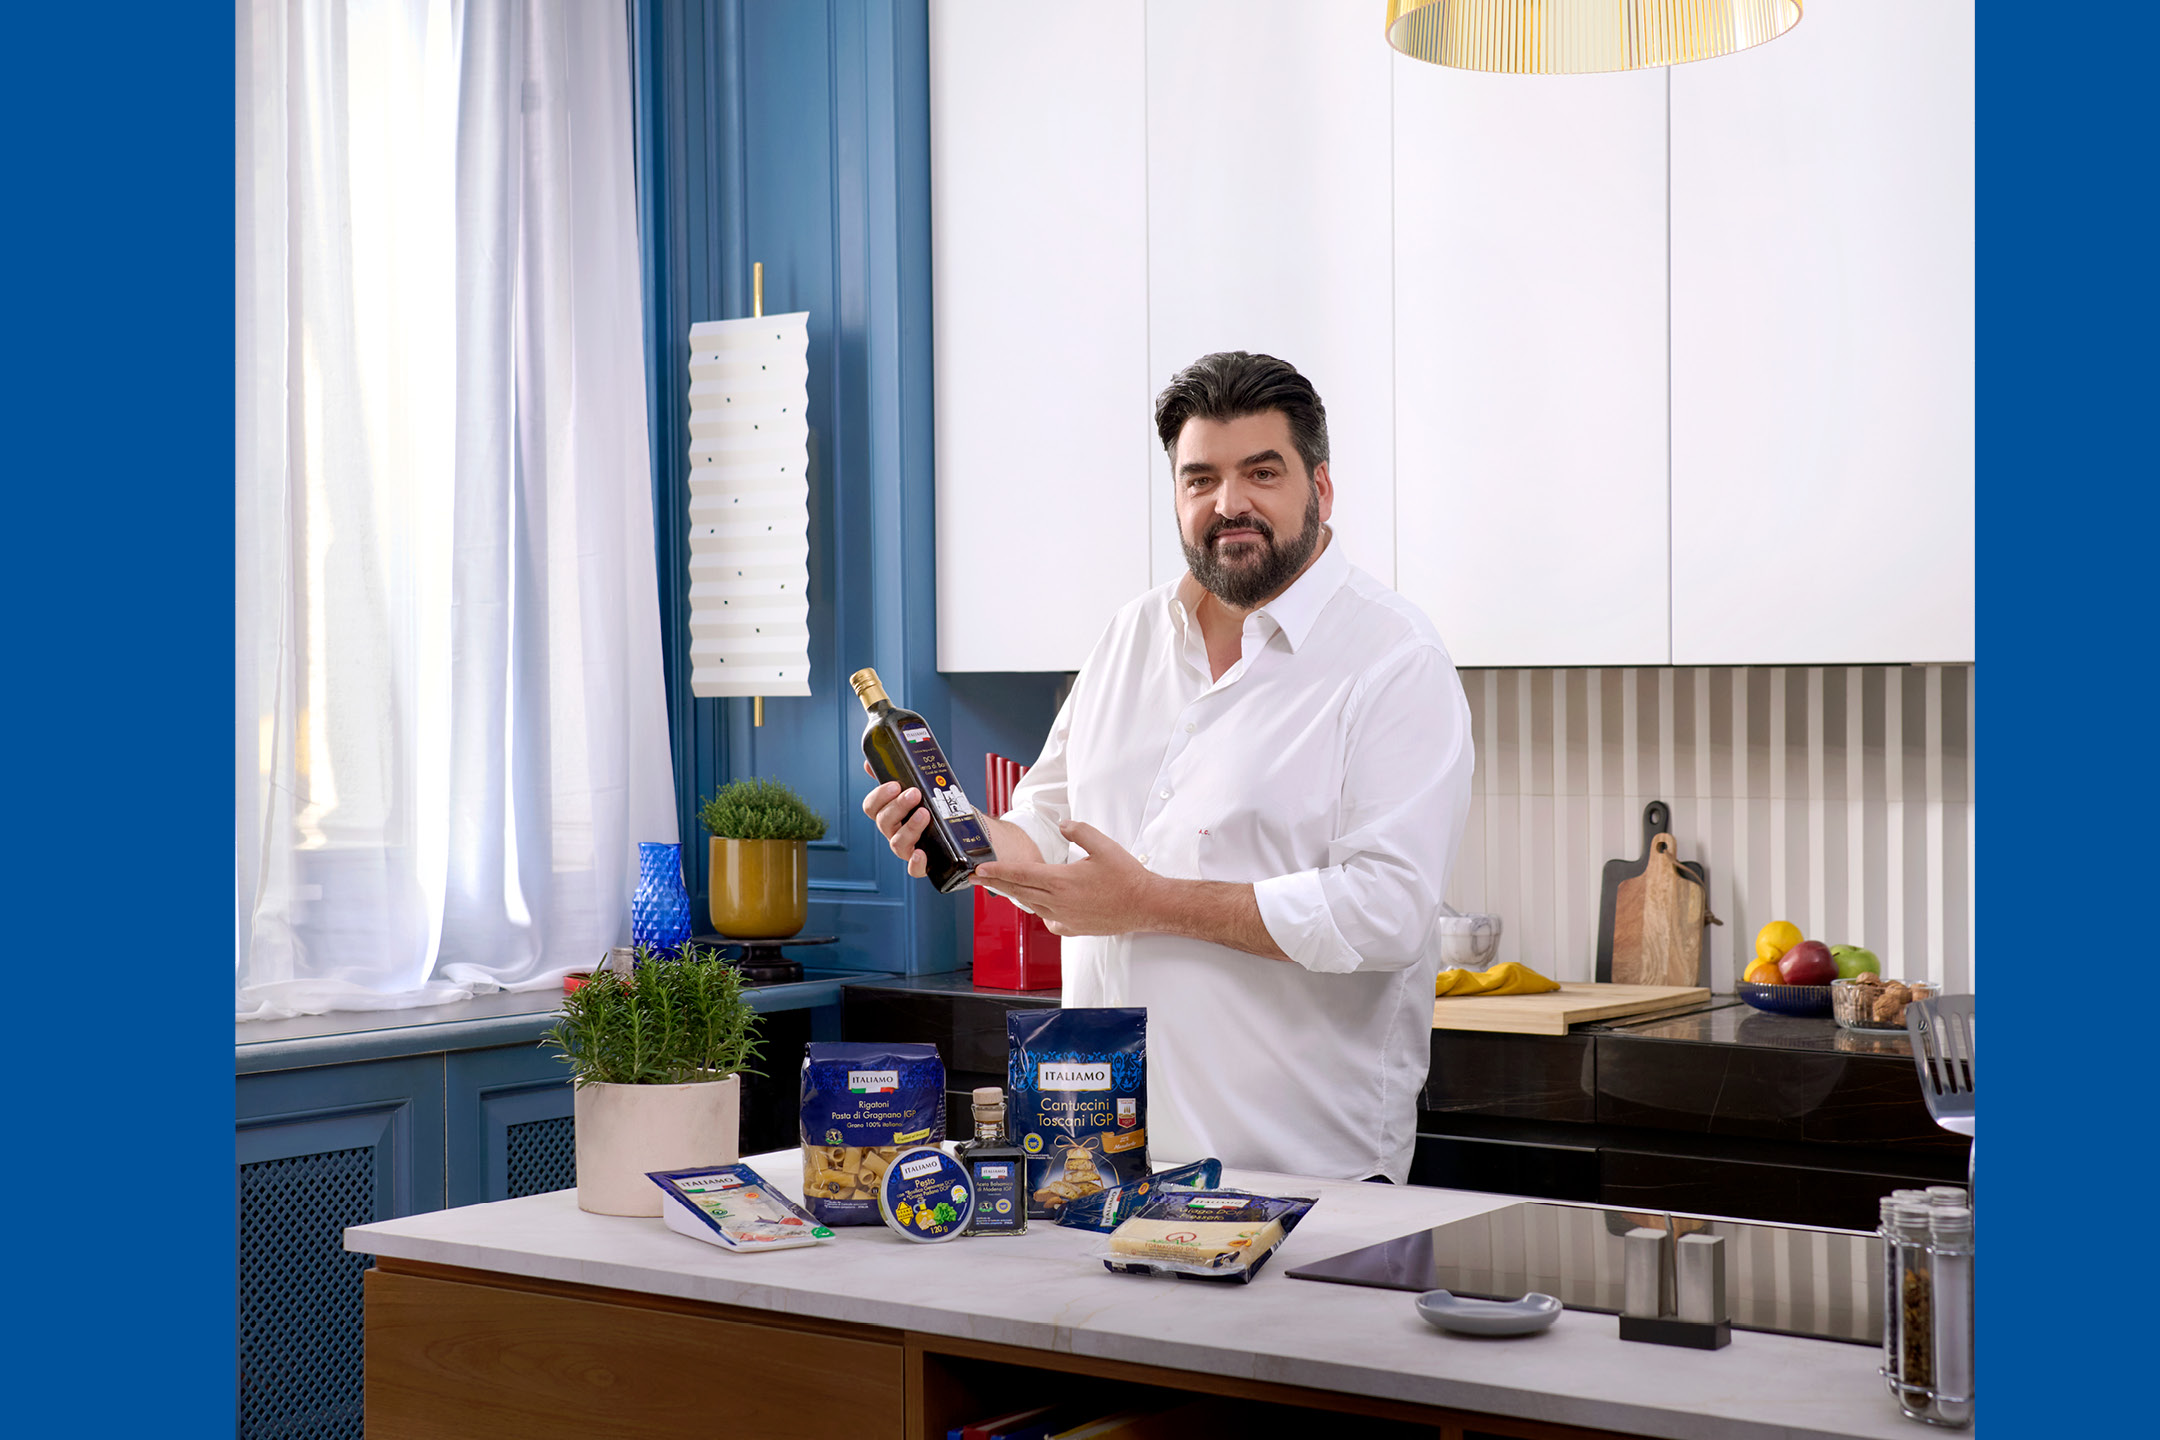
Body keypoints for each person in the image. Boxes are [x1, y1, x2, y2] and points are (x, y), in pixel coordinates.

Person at [862, 351, 1474, 1183]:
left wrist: (1147, 903)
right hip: (1100, 1164)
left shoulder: (1395, 659)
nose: (1230, 503)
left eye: (1262, 471)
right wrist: (970, 843)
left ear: (1320, 490)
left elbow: (1388, 912)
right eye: (1201, 479)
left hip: (1299, 1175)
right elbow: (1045, 820)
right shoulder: (1130, 635)